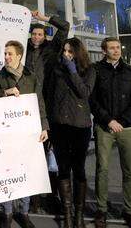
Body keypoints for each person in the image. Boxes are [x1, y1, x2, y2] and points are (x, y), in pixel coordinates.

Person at [0, 40, 49, 228]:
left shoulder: (31, 76)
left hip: (27, 133)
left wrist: (44, 126)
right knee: (7, 171)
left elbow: (39, 102)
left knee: (26, 171)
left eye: (9, 54)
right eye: (5, 53)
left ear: (19, 56)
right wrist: (4, 92)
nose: (6, 57)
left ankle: (23, 212)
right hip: (5, 133)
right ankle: (7, 213)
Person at [90, 37, 131, 228]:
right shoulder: (96, 70)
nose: (116, 50)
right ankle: (101, 210)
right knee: (102, 169)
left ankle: (129, 210)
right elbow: (92, 100)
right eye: (112, 48)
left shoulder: (130, 71)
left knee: (129, 170)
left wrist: (122, 121)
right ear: (104, 51)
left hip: (126, 128)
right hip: (104, 127)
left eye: (118, 47)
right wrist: (109, 120)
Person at [47, 38, 96, 228]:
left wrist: (72, 71)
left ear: (77, 52)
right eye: (65, 51)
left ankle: (79, 215)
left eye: (70, 51)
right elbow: (50, 96)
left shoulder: (89, 70)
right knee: (63, 168)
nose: (66, 54)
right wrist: (49, 123)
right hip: (60, 125)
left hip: (80, 126)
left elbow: (84, 93)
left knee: (79, 168)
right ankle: (67, 214)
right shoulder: (57, 70)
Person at [26, 11, 70, 98]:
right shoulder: (24, 48)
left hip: (47, 93)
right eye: (34, 34)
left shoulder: (52, 48)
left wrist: (44, 18)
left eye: (40, 34)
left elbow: (65, 26)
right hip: (27, 93)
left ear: (45, 36)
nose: (36, 37)